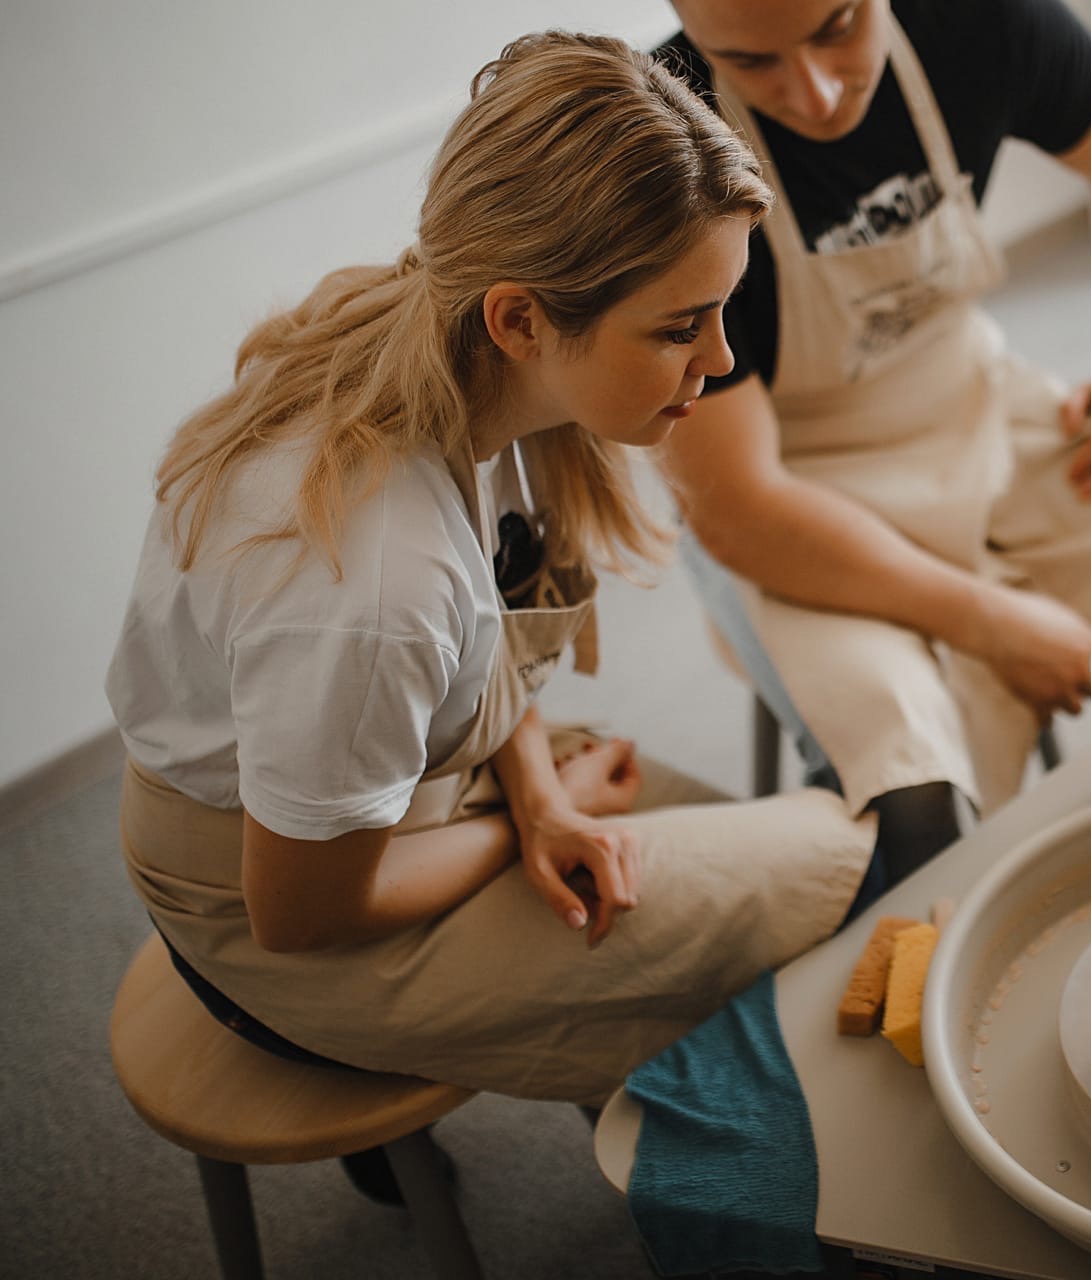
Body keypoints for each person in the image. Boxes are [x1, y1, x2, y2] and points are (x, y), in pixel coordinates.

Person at [106, 32, 877, 1110]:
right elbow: (302, 911)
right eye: (678, 327)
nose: (720, 360)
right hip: (291, 913)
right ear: (520, 318)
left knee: (790, 861)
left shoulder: (455, 347)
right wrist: (528, 815)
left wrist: (540, 795)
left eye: (721, 311)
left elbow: (496, 607)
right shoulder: (371, 587)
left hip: (408, 787)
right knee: (852, 880)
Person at [649, 0, 1091, 881]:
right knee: (919, 813)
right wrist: (992, 622)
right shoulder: (659, 146)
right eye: (752, 62)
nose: (811, 93)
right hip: (790, 497)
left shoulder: (979, 22)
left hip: (975, 408)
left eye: (837, 28)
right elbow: (739, 509)